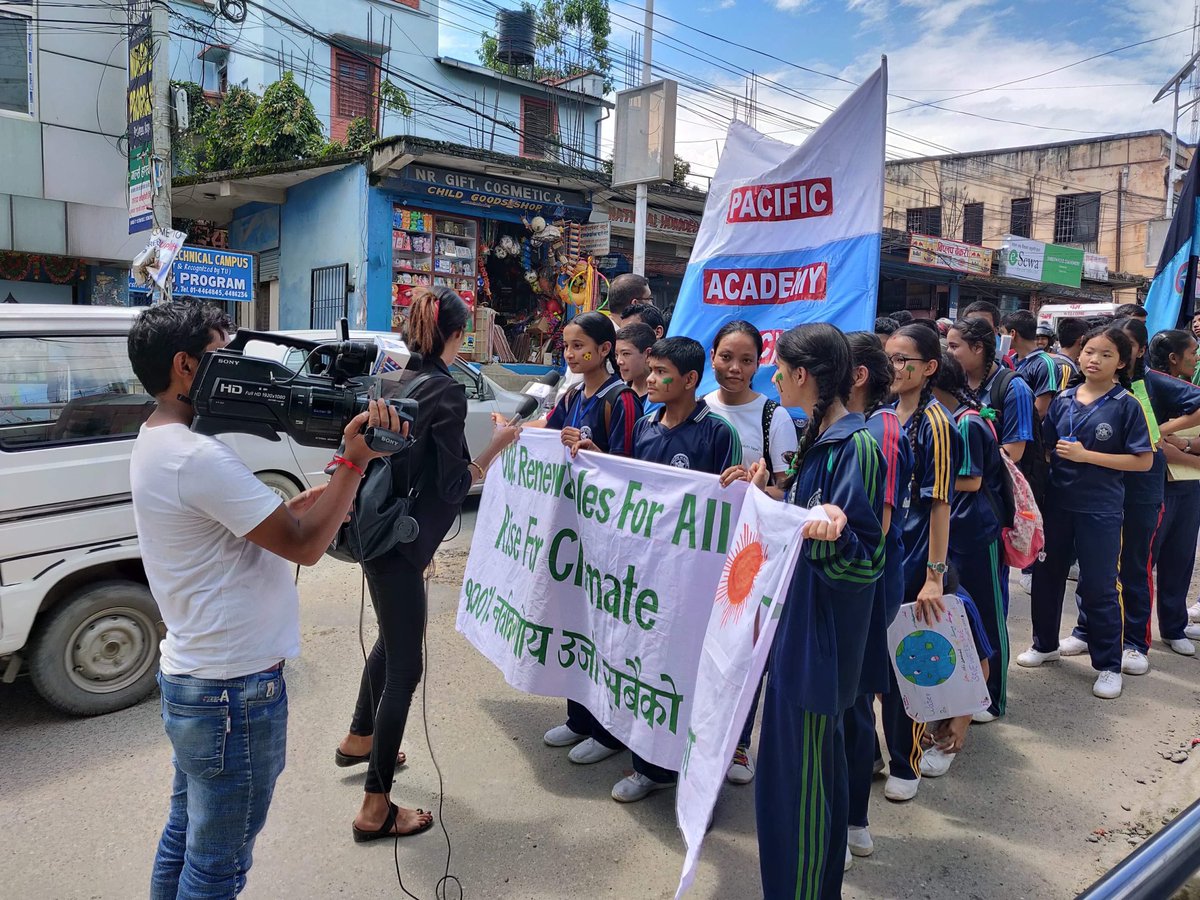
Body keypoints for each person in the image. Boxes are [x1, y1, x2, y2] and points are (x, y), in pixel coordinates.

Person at [128, 301, 406, 897]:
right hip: (233, 693)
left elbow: (250, 530)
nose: (235, 367)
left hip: (197, 679)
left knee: (186, 836)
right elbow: (305, 548)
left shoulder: (156, 440)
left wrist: (305, 500)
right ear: (185, 366)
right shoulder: (196, 456)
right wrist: (354, 463)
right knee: (217, 866)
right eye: (221, 355)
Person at [339, 286, 521, 843]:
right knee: (406, 668)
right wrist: (496, 447)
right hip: (400, 543)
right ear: (457, 334)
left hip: (373, 532)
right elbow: (451, 482)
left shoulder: (393, 379)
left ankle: (359, 739)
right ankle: (375, 806)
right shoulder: (444, 392)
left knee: (394, 640)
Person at [572, 336, 741, 802]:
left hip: (692, 580)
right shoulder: (646, 425)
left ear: (690, 380)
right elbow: (629, 488)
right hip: (645, 573)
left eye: (661, 372)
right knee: (643, 662)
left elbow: (729, 507)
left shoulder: (718, 434)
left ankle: (682, 767)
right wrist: (592, 454)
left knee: (682, 670)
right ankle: (646, 761)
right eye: (649, 370)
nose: (650, 379)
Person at [748, 323, 884, 900]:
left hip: (819, 646)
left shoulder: (857, 448)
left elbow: (867, 562)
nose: (773, 377)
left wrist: (828, 534)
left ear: (803, 375)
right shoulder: (818, 439)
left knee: (798, 793)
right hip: (797, 632)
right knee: (794, 785)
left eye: (779, 369)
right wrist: (774, 499)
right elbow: (806, 524)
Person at [1017, 326, 1154, 700]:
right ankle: (1045, 644)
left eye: (1106, 354)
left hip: (1100, 509)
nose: (1094, 359)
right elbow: (1046, 448)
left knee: (1099, 586)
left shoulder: (1127, 405)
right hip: (1056, 506)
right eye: (1090, 351)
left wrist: (1086, 456)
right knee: (1047, 578)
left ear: (1122, 362)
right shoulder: (1062, 400)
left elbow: (1143, 461)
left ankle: (1109, 664)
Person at [539, 311, 641, 761]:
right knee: (575, 624)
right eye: (567, 346)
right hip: (573, 528)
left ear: (605, 350)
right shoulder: (572, 394)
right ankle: (579, 718)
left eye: (581, 346)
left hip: (609, 536)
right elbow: (544, 435)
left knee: (606, 631)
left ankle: (610, 731)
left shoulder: (620, 401)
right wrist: (511, 436)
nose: (573, 354)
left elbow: (631, 466)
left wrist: (596, 454)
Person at [702, 320, 799, 785]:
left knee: (743, 648)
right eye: (726, 357)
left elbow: (787, 493)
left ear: (759, 362)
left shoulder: (773, 419)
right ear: (712, 356)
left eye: (745, 359)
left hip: (751, 555)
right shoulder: (698, 409)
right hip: (700, 551)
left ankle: (739, 744)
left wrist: (755, 488)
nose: (734, 368)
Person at [882, 323, 963, 802]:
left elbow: (939, 504)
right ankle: (878, 753)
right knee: (877, 663)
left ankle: (906, 763)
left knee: (908, 668)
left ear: (929, 368)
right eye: (889, 357)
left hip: (917, 561)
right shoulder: (884, 412)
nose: (894, 367)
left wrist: (934, 577)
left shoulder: (938, 423)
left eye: (903, 360)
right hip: (884, 555)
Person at [842, 331, 912, 861]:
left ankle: (853, 821)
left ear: (857, 376)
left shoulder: (880, 430)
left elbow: (877, 526)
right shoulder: (851, 426)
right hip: (853, 584)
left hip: (864, 585)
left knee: (857, 698)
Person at [931, 351, 1010, 727]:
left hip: (978, 533)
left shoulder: (967, 424)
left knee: (989, 615)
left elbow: (972, 480)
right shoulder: (949, 419)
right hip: (957, 532)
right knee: (965, 616)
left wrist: (923, 482)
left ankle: (994, 699)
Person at [946, 317, 1035, 463]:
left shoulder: (1015, 389)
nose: (949, 353)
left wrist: (969, 466)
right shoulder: (954, 381)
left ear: (978, 348)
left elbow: (1014, 452)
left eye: (954, 346)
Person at [1004, 310, 1063, 418]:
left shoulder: (1044, 364)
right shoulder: (1009, 360)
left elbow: (1040, 410)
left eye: (1002, 333)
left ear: (1012, 334)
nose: (1001, 338)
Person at [615, 322, 656, 414]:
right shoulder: (616, 395)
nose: (619, 361)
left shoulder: (664, 399)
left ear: (648, 354)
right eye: (616, 355)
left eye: (626, 354)